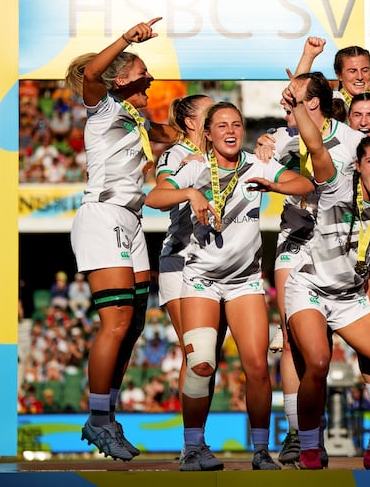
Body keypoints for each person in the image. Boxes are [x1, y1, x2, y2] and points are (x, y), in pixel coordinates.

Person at [145, 102, 313, 471]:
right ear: (207, 133)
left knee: (256, 366)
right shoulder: (195, 167)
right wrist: (189, 193)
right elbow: (154, 197)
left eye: (236, 123)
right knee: (201, 365)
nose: (230, 130)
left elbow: (305, 184)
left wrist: (273, 183)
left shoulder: (257, 162)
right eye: (221, 125)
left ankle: (259, 451)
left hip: (245, 283)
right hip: (201, 281)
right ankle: (192, 448)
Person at [281, 74, 370, 470]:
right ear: (358, 165)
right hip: (308, 287)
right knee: (318, 363)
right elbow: (313, 144)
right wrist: (295, 105)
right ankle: (308, 446)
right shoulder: (337, 184)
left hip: (350, 298)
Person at [64, 17, 174, 461]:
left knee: (134, 325)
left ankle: (105, 414)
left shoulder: (134, 120)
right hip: (103, 214)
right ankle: (98, 418)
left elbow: (181, 134)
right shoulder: (104, 105)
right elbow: (93, 75)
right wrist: (128, 38)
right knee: (115, 322)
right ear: (121, 79)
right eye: (142, 73)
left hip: (131, 221)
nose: (150, 80)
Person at [154, 94, 225, 466]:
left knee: (209, 360)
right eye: (211, 113)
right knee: (196, 356)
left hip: (218, 267)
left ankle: (196, 442)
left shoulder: (223, 155)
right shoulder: (176, 155)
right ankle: (192, 447)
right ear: (193, 123)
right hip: (181, 263)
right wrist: (187, 185)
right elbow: (160, 194)